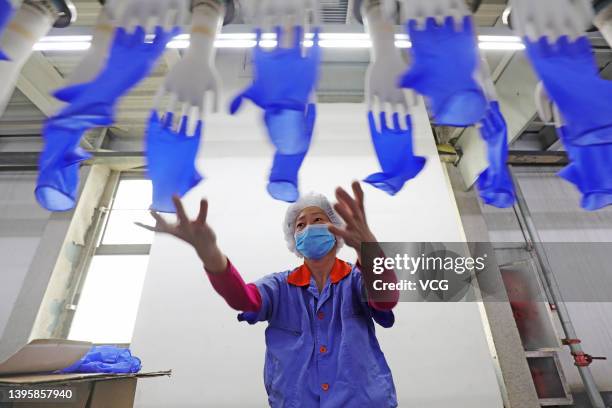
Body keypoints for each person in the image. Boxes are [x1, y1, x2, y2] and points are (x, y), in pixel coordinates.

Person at [138, 181, 399, 407]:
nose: (308, 228)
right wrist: (209, 253)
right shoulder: (280, 286)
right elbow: (243, 298)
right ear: (293, 238)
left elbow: (386, 298)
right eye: (300, 225)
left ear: (337, 230)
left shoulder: (356, 280)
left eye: (318, 220)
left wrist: (370, 247)